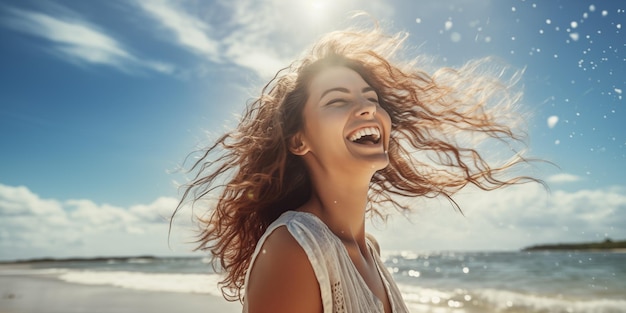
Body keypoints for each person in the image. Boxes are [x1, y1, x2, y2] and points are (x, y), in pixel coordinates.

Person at [174, 21, 539, 313]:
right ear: (300, 140)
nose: (368, 109)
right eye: (338, 100)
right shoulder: (293, 249)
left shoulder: (371, 252)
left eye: (372, 99)